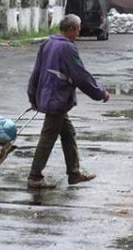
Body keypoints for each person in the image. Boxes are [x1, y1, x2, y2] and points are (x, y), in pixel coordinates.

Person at [27, 14, 110, 189]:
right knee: (48, 137)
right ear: (71, 29)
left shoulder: (48, 43)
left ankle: (74, 173)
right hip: (56, 98)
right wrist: (100, 93)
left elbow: (36, 71)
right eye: (78, 28)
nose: (80, 32)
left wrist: (33, 94)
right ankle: (35, 177)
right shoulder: (66, 48)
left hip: (50, 96)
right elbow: (80, 75)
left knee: (68, 133)